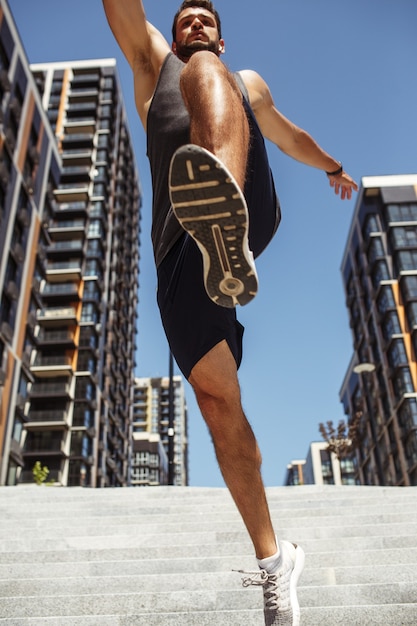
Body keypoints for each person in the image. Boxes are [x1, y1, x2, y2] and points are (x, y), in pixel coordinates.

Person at [102, 2, 358, 624]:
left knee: (211, 76)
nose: (192, 26)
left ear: (221, 31)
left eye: (203, 19)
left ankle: (227, 222)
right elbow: (121, 10)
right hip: (179, 261)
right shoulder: (151, 66)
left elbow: (291, 135)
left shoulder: (239, 79)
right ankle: (276, 563)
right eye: (183, 18)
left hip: (249, 214)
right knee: (220, 406)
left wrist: (332, 166)